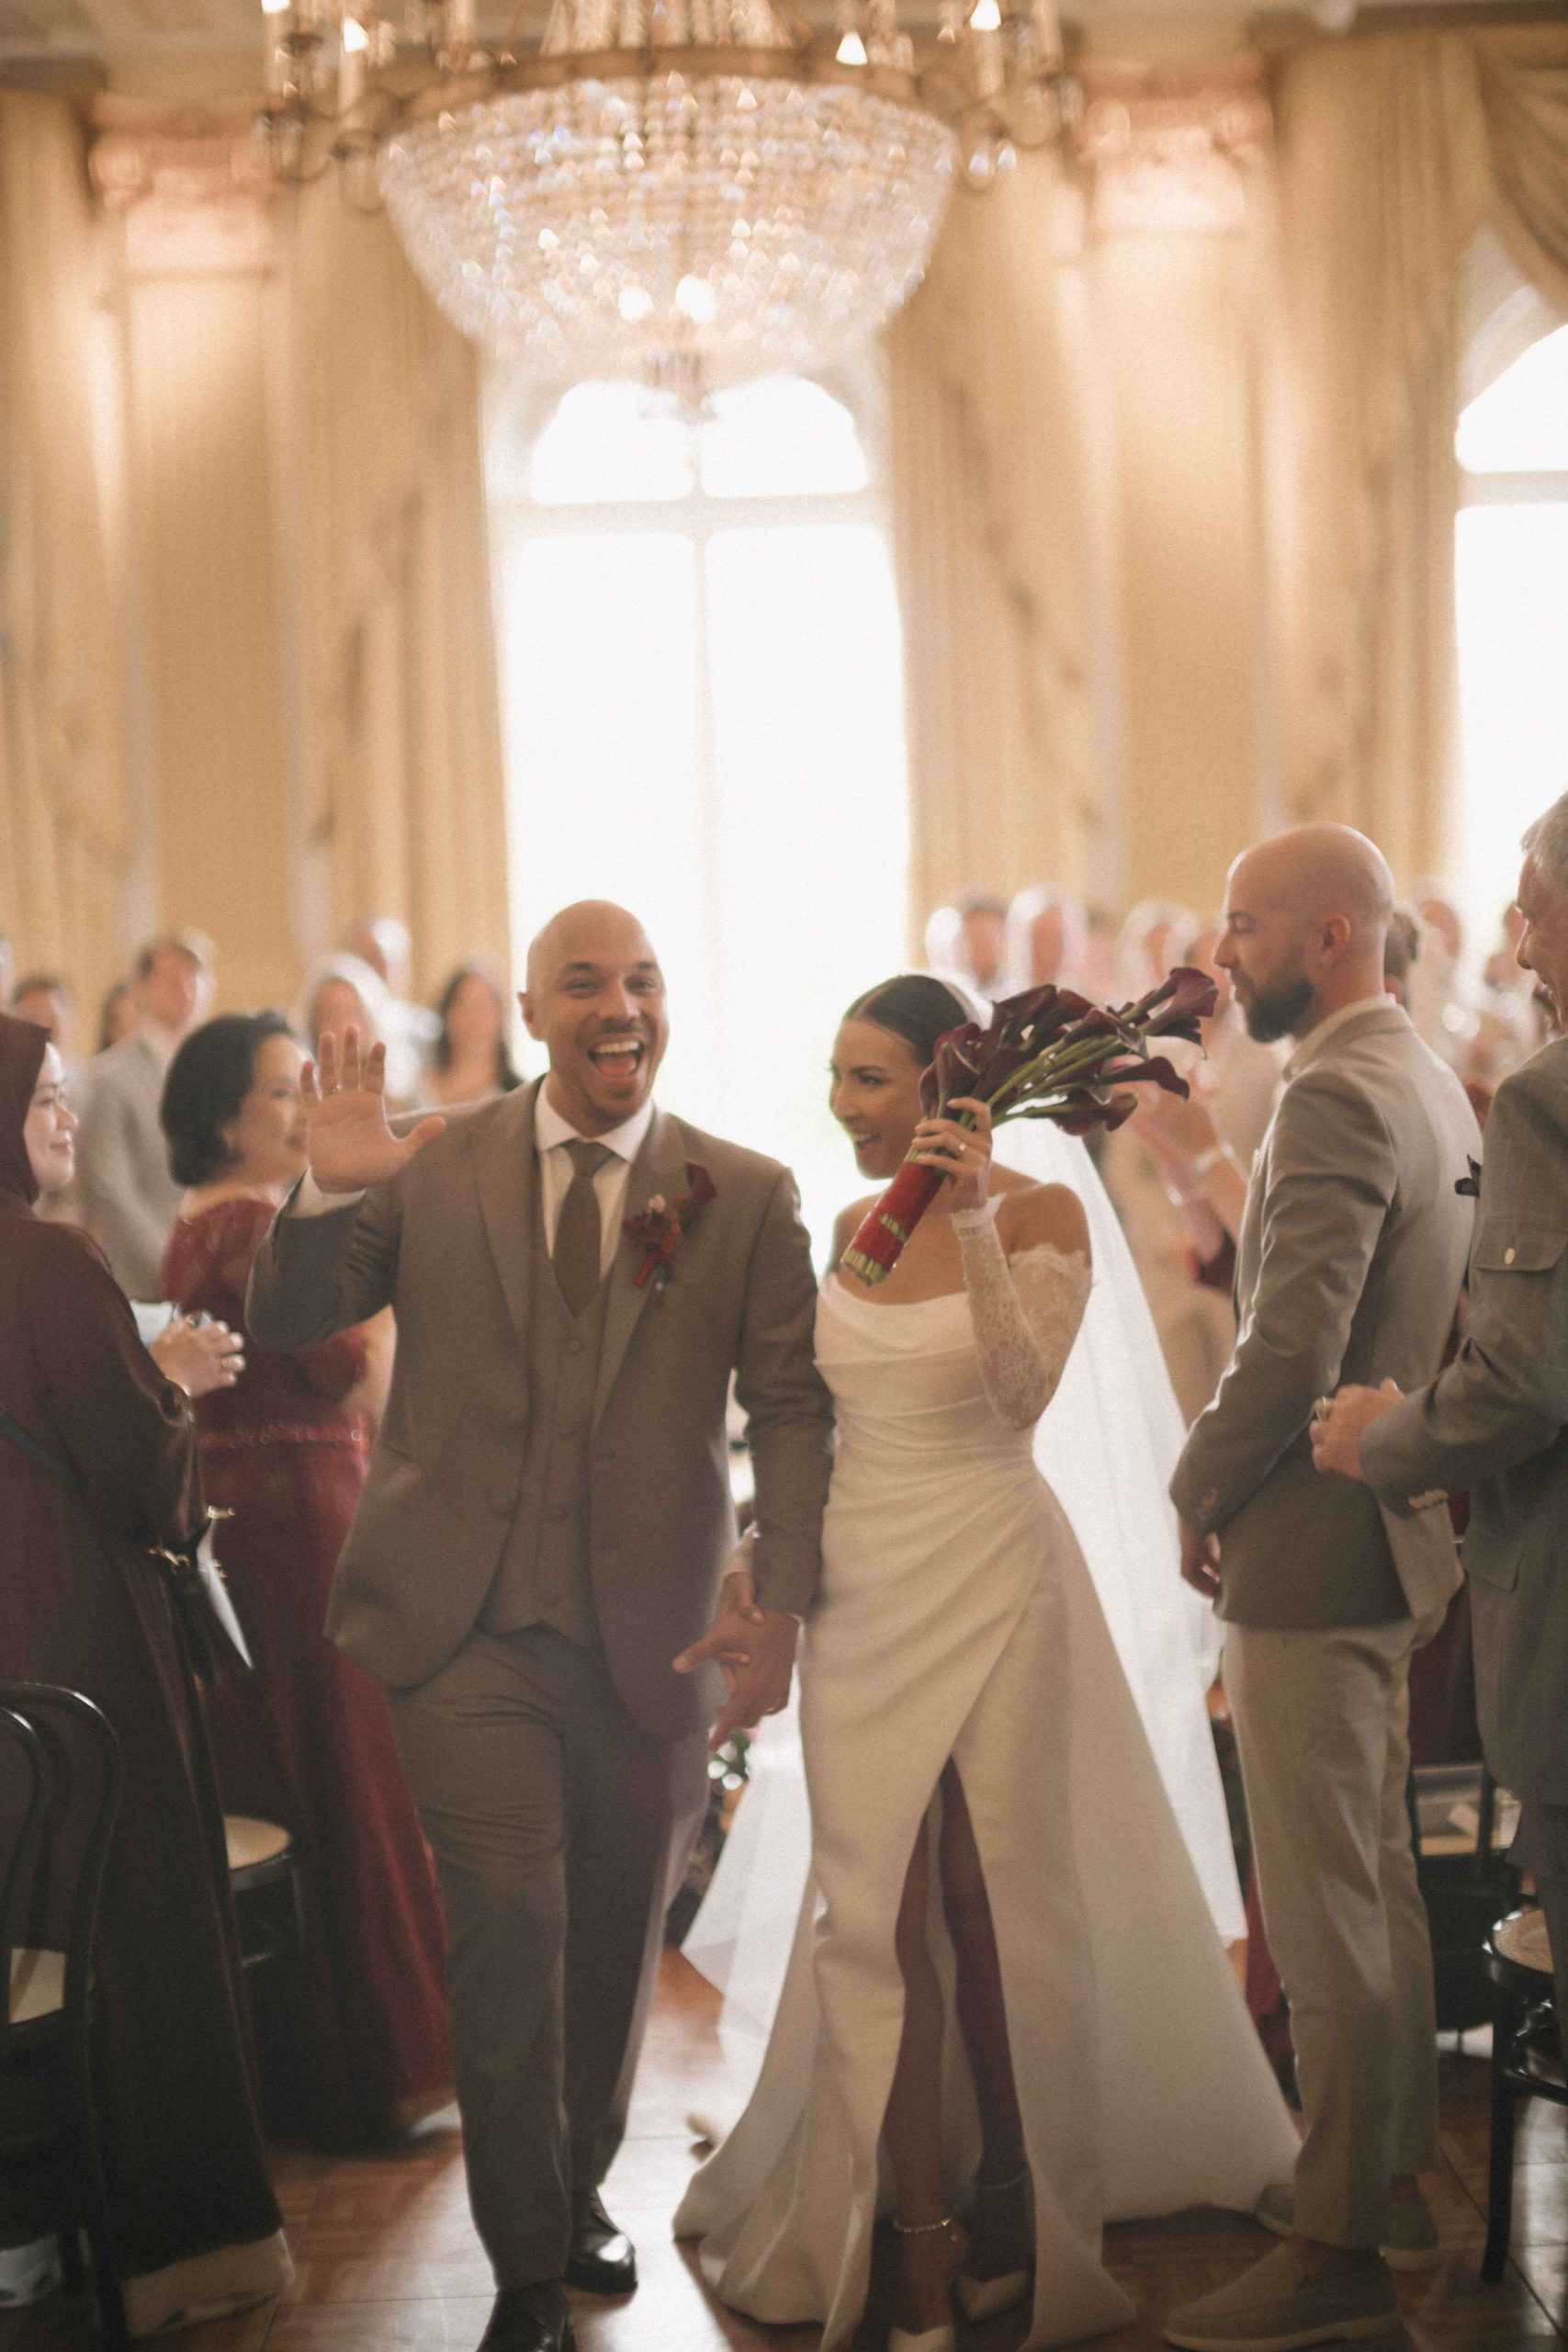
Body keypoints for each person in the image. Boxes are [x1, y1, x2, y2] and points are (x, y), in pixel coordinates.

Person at [675, 974, 1298, 2352]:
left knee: (998, 1899)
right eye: (835, 1076)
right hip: (863, 1589)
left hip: (998, 1567)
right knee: (870, 1915)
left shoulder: (1039, 1216)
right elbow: (810, 1426)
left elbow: (1023, 1392)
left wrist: (965, 1212)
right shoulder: (850, 1230)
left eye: (868, 1078)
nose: (843, 1105)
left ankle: (1018, 2197)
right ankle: (911, 2235)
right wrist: (760, 1559)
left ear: (949, 1083)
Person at [246, 901, 834, 2352]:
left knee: (614, 1934)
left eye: (641, 980)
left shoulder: (743, 1193)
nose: (617, 1004)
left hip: (654, 1635)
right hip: (461, 1628)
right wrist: (318, 1194)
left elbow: (790, 1408)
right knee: (510, 1925)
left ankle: (572, 2187)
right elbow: (290, 1322)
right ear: (529, 1013)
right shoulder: (431, 1163)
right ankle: (520, 2266)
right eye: (583, 982)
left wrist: (780, 1590)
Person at [1162, 826, 1482, 2352]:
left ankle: (1337, 2246)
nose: (1223, 952)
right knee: (1374, 1884)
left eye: (1245, 925)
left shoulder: (1338, 1089)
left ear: (1330, 936)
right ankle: (1391, 2184)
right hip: (1386, 1531)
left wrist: (1191, 1483)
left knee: (1320, 1904)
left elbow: (1289, 1344)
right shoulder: (1418, 1073)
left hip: (1308, 1539)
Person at [0, 1012, 291, 2335]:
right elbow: (141, 1475)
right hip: (76, 1633)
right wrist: (167, 1379)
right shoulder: (49, 1262)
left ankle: (34, 2243)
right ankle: (183, 2246)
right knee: (136, 1920)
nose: (66, 1118)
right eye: (45, 1098)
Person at [160, 1012, 452, 2147]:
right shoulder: (246, 1223)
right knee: (345, 1769)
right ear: (225, 1119)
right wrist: (384, 1285)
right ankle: (382, 2062)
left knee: (303, 1771)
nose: (302, 1110)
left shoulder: (207, 1219)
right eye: (281, 1092)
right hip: (298, 1517)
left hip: (254, 1509)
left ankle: (314, 2068)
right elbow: (344, 1364)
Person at [1314, 790, 1568, 2041]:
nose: (1518, 948)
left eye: (1535, 914)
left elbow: (1521, 1380)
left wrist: (1382, 1436)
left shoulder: (1543, 1097)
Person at [77, 933, 209, 1296]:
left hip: (214, 1264)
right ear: (139, 988)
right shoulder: (110, 1076)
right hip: (144, 1277)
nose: (185, 987)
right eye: (171, 976)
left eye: (194, 975)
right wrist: (174, 1264)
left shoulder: (218, 1071)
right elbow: (109, 1186)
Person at [430, 962, 524, 1106]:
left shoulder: (519, 1097)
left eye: (481, 1005)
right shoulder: (415, 1089)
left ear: (499, 1015)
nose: (473, 1018)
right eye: (463, 1004)